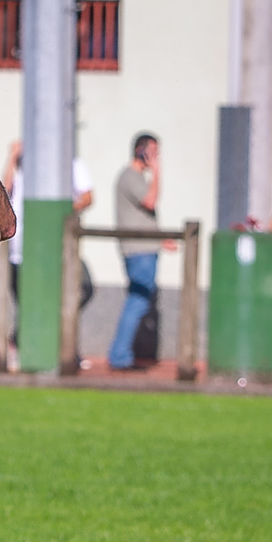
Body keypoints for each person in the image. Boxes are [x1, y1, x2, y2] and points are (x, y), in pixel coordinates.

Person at [4, 139, 95, 337]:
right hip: (20, 247)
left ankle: (58, 345)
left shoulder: (70, 163)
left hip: (55, 246)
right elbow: (5, 190)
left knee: (77, 290)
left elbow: (87, 197)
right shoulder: (22, 164)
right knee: (25, 300)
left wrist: (59, 215)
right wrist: (12, 157)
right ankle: (19, 344)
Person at [109, 133, 162, 371]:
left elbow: (141, 216)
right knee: (138, 301)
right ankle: (119, 356)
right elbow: (150, 201)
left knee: (138, 300)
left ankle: (121, 355)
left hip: (146, 249)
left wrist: (162, 241)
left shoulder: (135, 177)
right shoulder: (130, 176)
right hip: (139, 251)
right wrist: (158, 171)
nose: (157, 158)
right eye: (154, 152)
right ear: (142, 151)